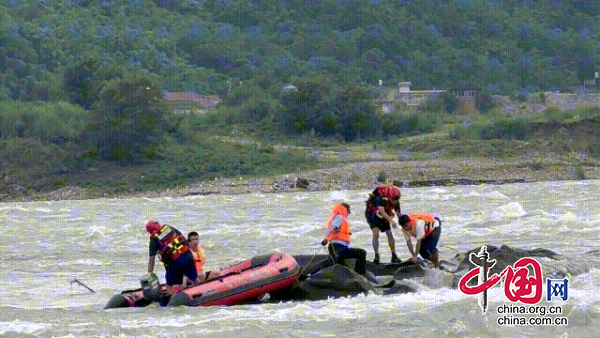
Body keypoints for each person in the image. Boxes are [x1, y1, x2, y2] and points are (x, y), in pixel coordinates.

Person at [302, 203, 367, 278]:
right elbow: (331, 228)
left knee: (361, 253)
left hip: (343, 248)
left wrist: (347, 233)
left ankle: (360, 274)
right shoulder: (339, 217)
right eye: (348, 212)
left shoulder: (341, 219)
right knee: (330, 261)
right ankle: (308, 274)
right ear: (346, 210)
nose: (348, 214)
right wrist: (326, 239)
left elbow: (338, 230)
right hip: (337, 248)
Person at [146, 220, 198, 295]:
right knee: (194, 279)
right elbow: (183, 237)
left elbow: (151, 261)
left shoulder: (154, 241)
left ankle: (171, 301)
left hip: (175, 262)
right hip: (187, 256)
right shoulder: (169, 228)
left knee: (169, 286)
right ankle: (200, 293)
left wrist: (149, 274)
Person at [364, 186, 402, 264]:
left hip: (383, 216)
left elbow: (399, 214)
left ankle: (394, 255)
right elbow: (381, 211)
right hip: (372, 215)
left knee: (389, 233)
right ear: (389, 197)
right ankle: (376, 256)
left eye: (396, 200)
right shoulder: (379, 196)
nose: (395, 202)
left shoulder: (396, 199)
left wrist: (405, 223)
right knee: (376, 233)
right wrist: (391, 221)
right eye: (393, 200)